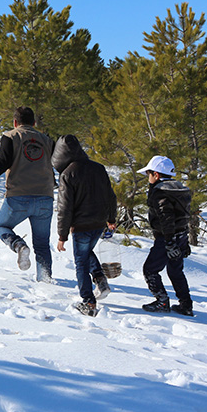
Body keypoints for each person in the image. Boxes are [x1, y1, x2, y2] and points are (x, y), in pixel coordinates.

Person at [0, 106, 55, 282]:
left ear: (15, 123)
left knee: (1, 227)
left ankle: (18, 245)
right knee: (42, 244)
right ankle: (45, 280)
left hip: (18, 195)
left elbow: (2, 163)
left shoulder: (11, 136)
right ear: (34, 123)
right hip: (45, 197)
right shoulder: (47, 140)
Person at [52, 134, 117, 316]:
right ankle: (100, 279)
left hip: (81, 226)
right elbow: (111, 196)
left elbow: (64, 208)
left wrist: (62, 237)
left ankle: (88, 302)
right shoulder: (98, 168)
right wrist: (111, 218)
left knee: (80, 262)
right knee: (86, 252)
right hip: (99, 222)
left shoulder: (67, 174)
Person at [136, 155, 194, 316]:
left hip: (167, 238)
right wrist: (185, 241)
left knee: (150, 270)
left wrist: (169, 242)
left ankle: (162, 301)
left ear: (156, 174)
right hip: (180, 236)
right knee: (175, 271)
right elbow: (183, 217)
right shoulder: (181, 189)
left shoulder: (159, 192)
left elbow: (166, 218)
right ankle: (186, 304)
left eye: (148, 173)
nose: (148, 178)